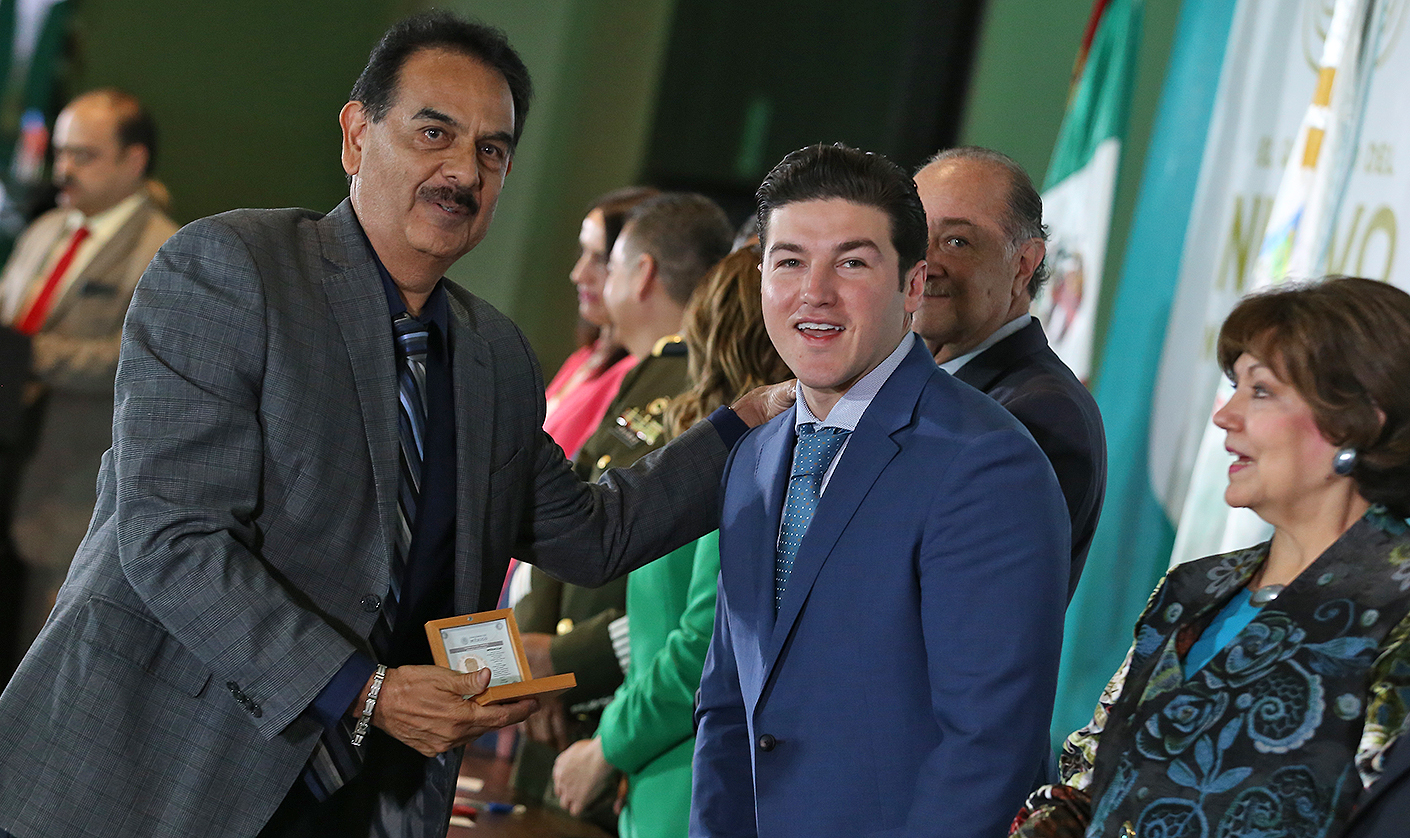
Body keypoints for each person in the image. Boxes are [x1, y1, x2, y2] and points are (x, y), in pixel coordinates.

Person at [0, 13, 788, 838]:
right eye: (434, 133)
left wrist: (749, 419)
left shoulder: (492, 355)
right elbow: (175, 540)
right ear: (355, 136)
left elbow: (594, 534)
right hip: (150, 777)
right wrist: (365, 692)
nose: (463, 172)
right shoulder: (229, 270)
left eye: (492, 150)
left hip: (356, 805)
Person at [691, 143, 1070, 838]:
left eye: (852, 263)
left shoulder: (988, 463)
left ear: (913, 284)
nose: (815, 292)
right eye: (790, 261)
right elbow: (727, 705)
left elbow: (988, 744)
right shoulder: (753, 456)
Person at [1011, 276, 1410, 838]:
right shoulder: (1193, 588)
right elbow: (1086, 782)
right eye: (1234, 386)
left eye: (1261, 390)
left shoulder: (1397, 608)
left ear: (1360, 420)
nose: (1225, 415)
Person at [552, 244, 791, 837]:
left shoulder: (753, 459)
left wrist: (609, 747)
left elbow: (705, 646)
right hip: (663, 774)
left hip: (694, 784)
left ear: (712, 330)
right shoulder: (717, 454)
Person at [513, 192, 733, 828]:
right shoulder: (643, 373)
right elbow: (569, 509)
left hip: (624, 715)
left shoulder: (708, 394)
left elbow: (689, 607)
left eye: (605, 262)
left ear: (641, 274)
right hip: (563, 704)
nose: (584, 275)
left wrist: (564, 662)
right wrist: (536, 653)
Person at [0, 88, 177, 660]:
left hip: (67, 491)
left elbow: (132, 361)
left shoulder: (164, 251)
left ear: (134, 160)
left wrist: (29, 355)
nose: (64, 170)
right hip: (9, 459)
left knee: (35, 654)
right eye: (60, 152)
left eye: (84, 155)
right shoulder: (45, 229)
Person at [911, 146, 1105, 599]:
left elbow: (969, 601)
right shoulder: (910, 386)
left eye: (957, 241)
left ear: (1024, 264)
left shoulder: (1041, 413)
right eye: (916, 237)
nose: (926, 264)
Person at [542, 186, 659, 462]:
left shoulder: (633, 374)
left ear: (638, 269)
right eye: (583, 253)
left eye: (601, 259)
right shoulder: (587, 356)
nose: (579, 274)